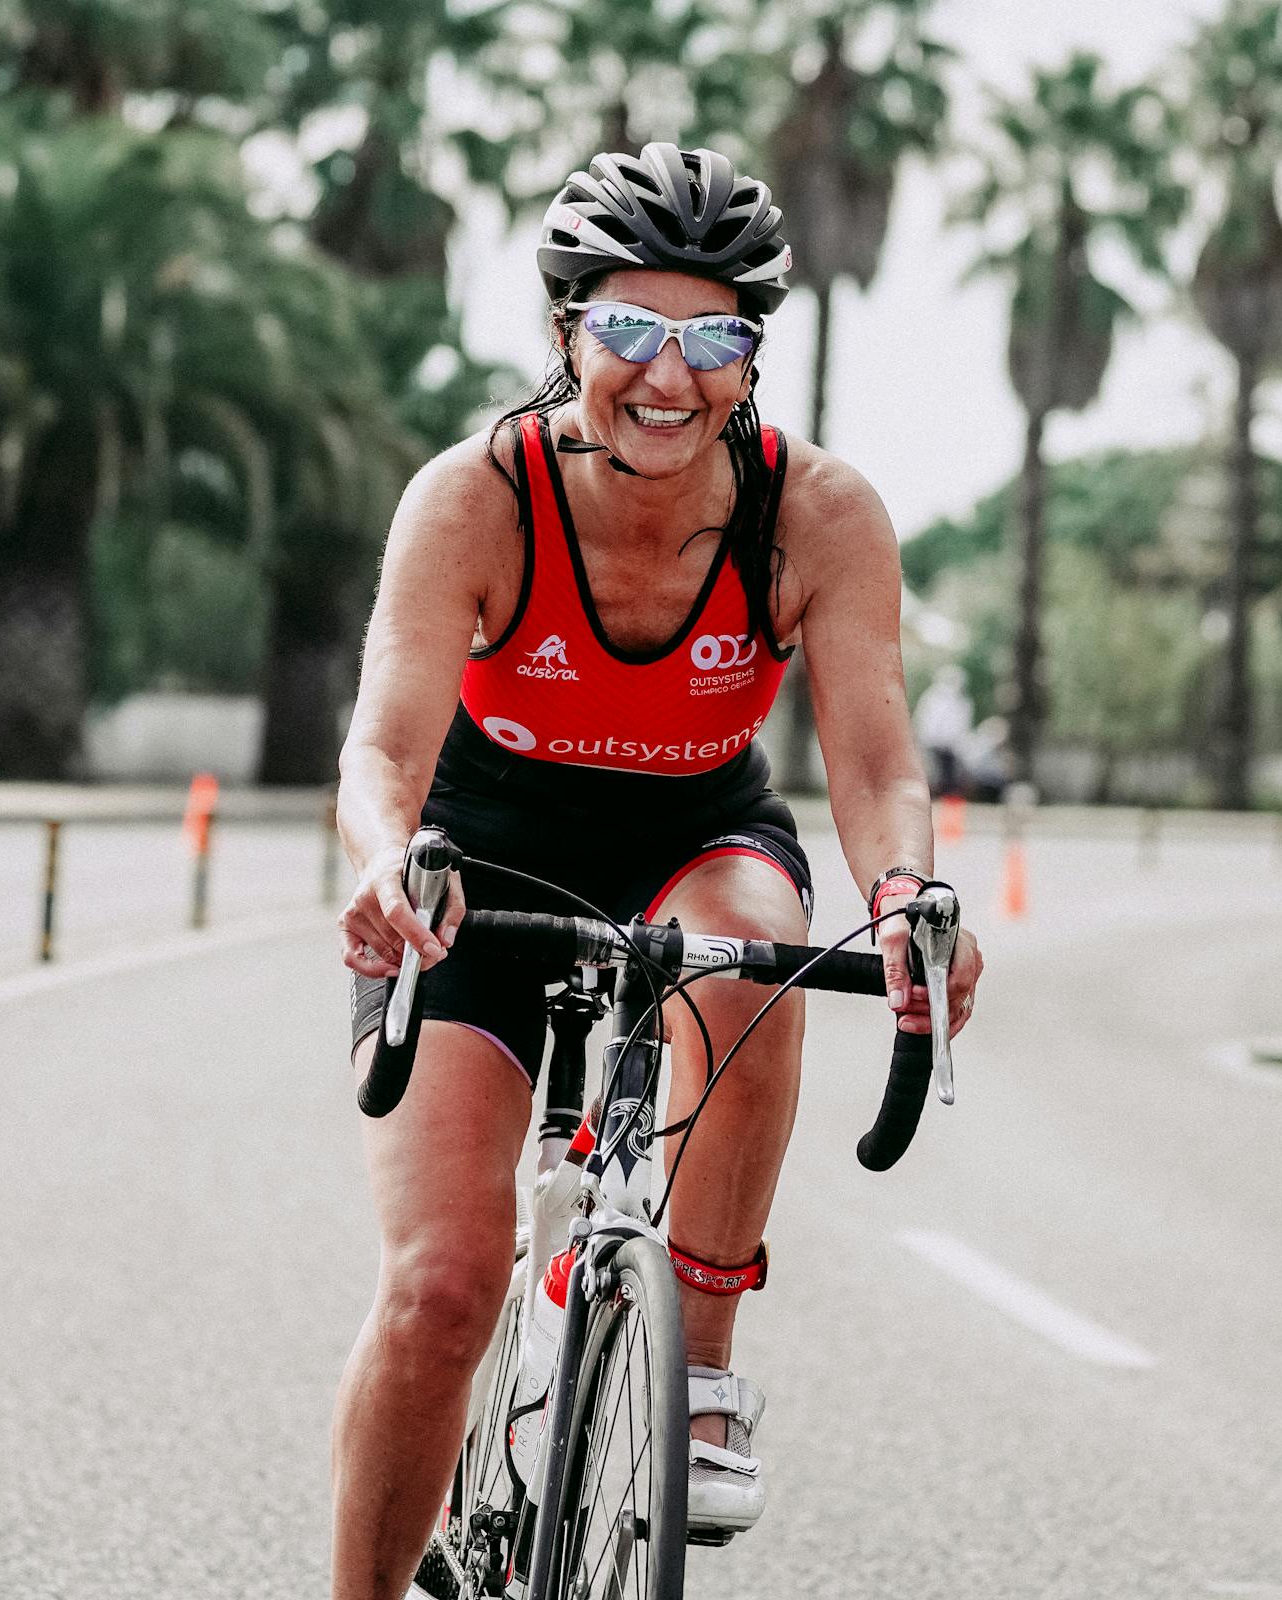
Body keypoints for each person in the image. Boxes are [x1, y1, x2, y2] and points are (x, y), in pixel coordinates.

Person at [327, 143, 984, 1597]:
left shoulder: (817, 513)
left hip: (695, 830)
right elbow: (380, 750)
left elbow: (877, 767)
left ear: (754, 357)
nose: (667, 376)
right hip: (479, 849)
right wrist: (384, 864)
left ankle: (696, 1368)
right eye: (628, 328)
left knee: (761, 945)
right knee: (440, 1294)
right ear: (567, 332)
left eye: (713, 339)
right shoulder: (476, 499)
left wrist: (908, 898)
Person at [914, 662, 975, 796]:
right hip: (935, 745)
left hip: (950, 747)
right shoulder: (932, 698)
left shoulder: (962, 701)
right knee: (936, 780)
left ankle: (948, 809)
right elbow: (927, 722)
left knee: (950, 782)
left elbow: (961, 727)